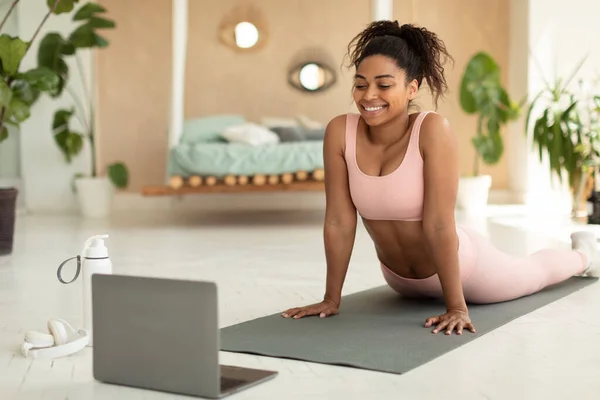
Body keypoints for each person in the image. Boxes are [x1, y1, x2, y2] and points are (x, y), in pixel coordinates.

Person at [281, 20, 599, 336]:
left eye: (384, 84)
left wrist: (457, 306)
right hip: (400, 281)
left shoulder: (431, 130)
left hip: (465, 268)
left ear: (412, 88)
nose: (369, 95)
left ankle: (584, 255)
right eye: (361, 84)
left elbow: (438, 223)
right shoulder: (340, 131)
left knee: (532, 274)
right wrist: (330, 299)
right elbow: (339, 220)